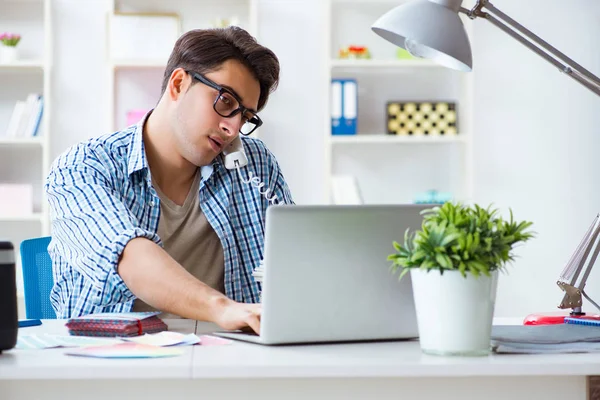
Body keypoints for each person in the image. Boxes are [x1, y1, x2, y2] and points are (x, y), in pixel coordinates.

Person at [44, 27, 293, 334]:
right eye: (226, 102)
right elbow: (131, 258)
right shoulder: (83, 167)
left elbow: (295, 266)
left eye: (244, 117)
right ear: (178, 84)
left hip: (230, 362)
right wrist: (223, 309)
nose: (232, 128)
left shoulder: (254, 165)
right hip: (112, 364)